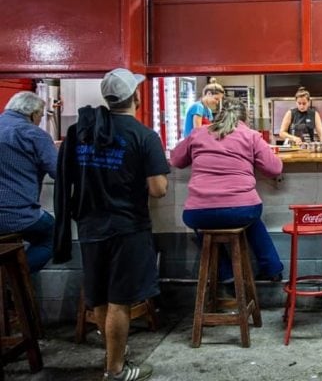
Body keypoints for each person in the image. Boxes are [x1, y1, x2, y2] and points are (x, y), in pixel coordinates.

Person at [54, 68, 169, 381]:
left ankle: (113, 355)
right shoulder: (143, 135)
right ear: (136, 96)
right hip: (127, 227)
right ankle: (115, 369)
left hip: (90, 227)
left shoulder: (81, 131)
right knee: (119, 301)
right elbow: (157, 189)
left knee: (100, 298)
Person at [170, 97, 284, 283]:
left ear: (218, 115)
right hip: (242, 210)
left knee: (204, 227)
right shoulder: (250, 135)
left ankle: (225, 273)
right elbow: (274, 169)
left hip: (198, 212)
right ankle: (272, 269)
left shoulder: (198, 133)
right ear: (245, 118)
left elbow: (176, 160)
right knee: (251, 218)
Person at [0, 91, 57, 273]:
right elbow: (58, 172)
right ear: (33, 114)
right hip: (17, 216)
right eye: (41, 116)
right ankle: (14, 281)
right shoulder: (34, 134)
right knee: (55, 235)